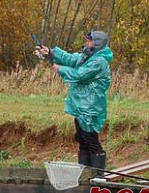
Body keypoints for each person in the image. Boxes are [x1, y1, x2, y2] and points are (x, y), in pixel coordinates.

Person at [35, 31, 113, 175]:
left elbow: (79, 75)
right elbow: (70, 58)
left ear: (97, 43)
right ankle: (85, 176)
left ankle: (98, 176)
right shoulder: (87, 56)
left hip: (91, 107)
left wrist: (59, 68)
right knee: (82, 140)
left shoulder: (99, 61)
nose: (86, 43)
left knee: (91, 141)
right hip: (80, 106)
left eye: (89, 41)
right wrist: (51, 52)